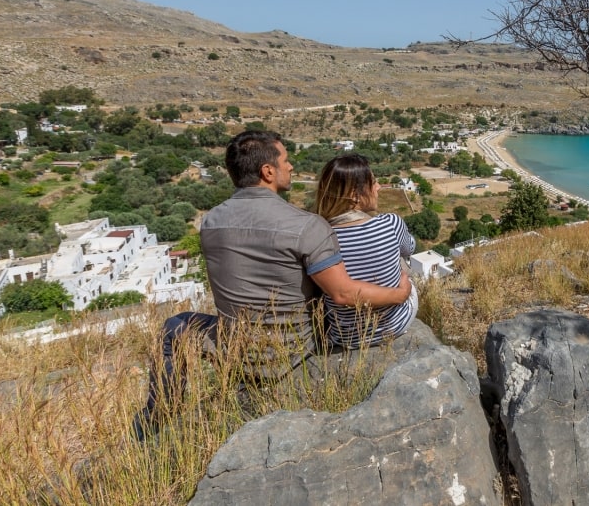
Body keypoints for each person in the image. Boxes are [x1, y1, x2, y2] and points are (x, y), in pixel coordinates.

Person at [134, 131, 411, 439]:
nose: (291, 167)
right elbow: (343, 293)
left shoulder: (211, 221)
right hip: (294, 351)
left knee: (175, 325)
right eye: (286, 160)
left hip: (234, 348)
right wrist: (399, 293)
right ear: (268, 171)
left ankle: (159, 414)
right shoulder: (307, 225)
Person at [315, 153, 418, 349]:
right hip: (393, 326)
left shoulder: (319, 236)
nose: (378, 187)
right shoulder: (390, 223)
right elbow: (409, 249)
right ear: (355, 195)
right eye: (374, 182)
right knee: (402, 264)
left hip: (344, 337)